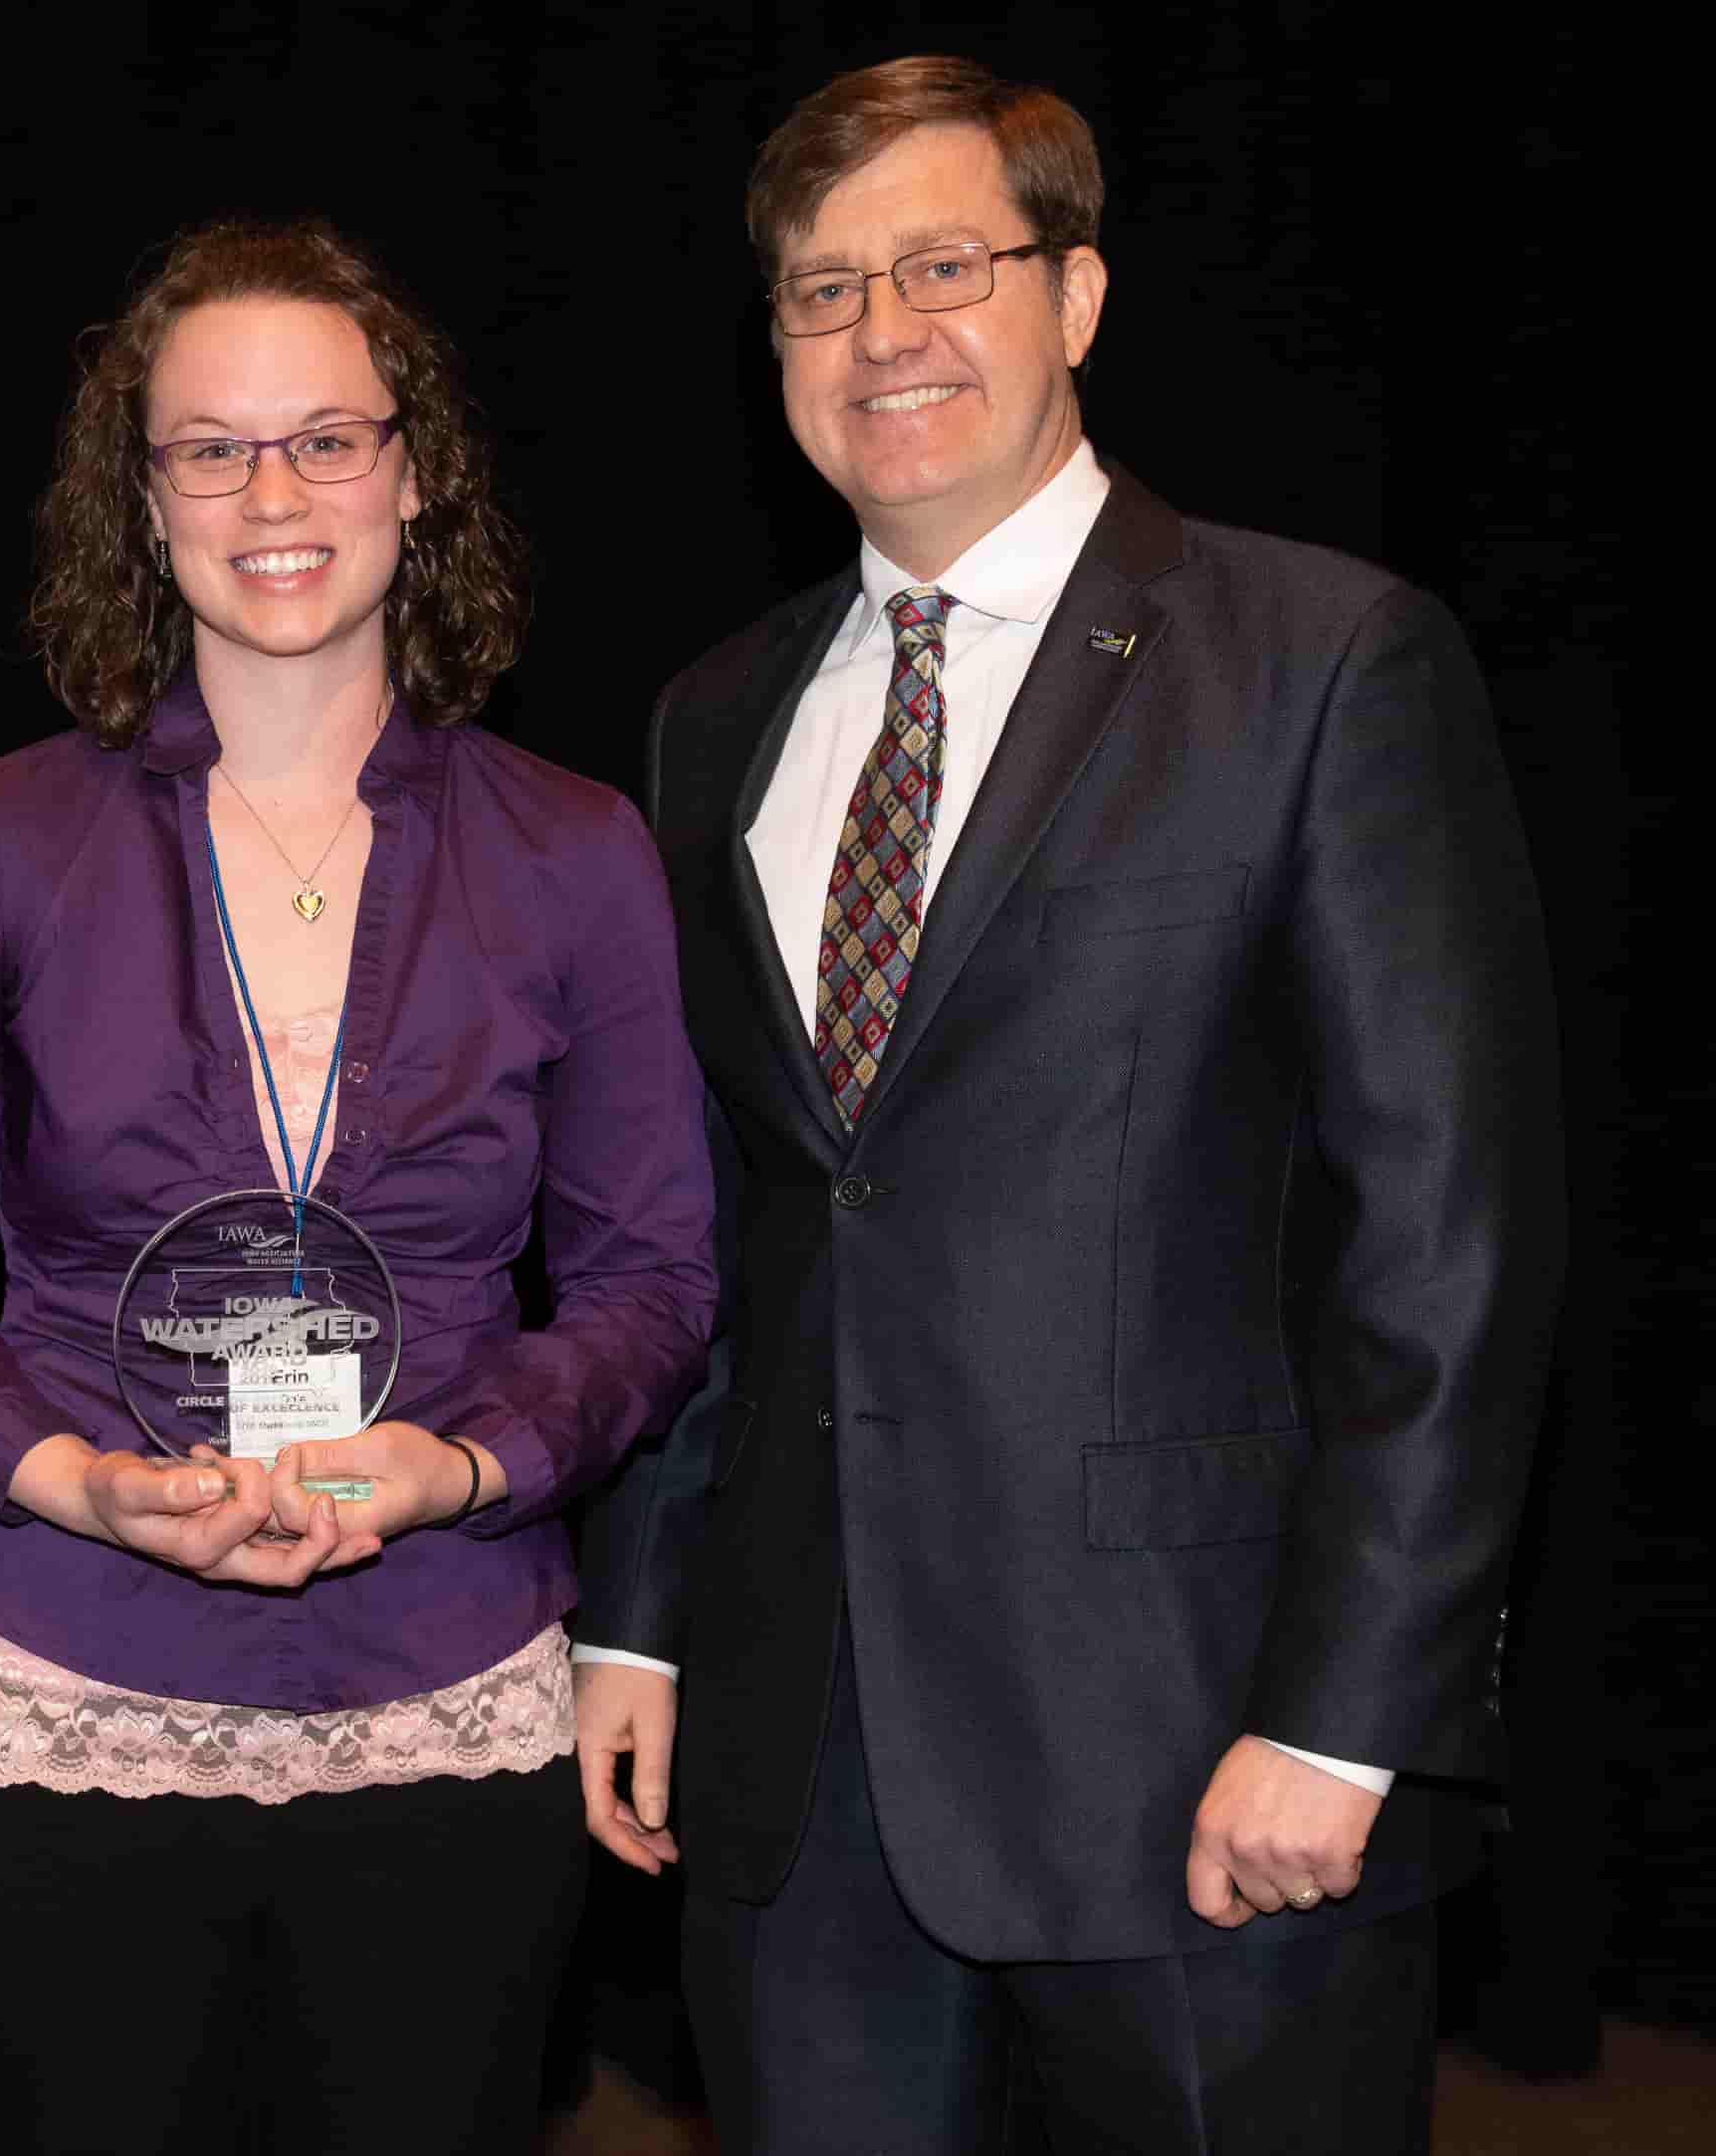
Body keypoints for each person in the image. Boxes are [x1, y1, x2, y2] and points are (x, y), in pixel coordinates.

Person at [571, 54, 1563, 2153]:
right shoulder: (712, 719)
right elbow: (727, 1218)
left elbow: (1449, 1241)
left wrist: (1350, 1716)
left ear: (1080, 295)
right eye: (822, 292)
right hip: (801, 1771)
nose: (882, 332)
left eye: (946, 264)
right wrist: (640, 1631)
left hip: (1201, 1754)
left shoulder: (1320, 663)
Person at [0, 217, 715, 2156]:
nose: (272, 495)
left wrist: (462, 1466)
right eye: (210, 448)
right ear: (143, 499)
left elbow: (652, 1285)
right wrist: (75, 1481)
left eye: (324, 437)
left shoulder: (577, 853)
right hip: (65, 1676)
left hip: (445, 1687)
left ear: (417, 467)